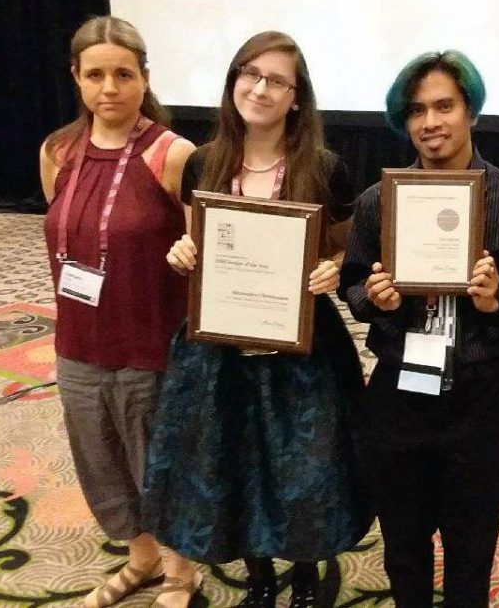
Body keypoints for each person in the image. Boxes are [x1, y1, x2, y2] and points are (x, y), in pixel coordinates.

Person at [141, 31, 373, 608]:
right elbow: (196, 245)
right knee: (234, 462)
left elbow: (350, 251)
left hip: (302, 350)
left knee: (306, 471)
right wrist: (182, 254)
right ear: (234, 82)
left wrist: (335, 268)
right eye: (250, 73)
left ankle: (307, 575)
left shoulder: (324, 168)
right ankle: (262, 577)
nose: (260, 88)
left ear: (297, 97)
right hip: (220, 349)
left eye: (277, 80)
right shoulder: (203, 161)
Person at [338, 50, 499, 608]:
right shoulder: (377, 202)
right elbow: (351, 283)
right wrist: (375, 297)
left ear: (472, 112)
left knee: (473, 545)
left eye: (445, 106)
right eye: (416, 110)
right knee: (403, 543)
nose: (430, 122)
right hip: (398, 391)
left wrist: (494, 302)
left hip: (478, 394)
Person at [39, 16, 196, 608]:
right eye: (96, 74)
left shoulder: (172, 153)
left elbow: (200, 252)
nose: (110, 88)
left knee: (159, 464)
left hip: (150, 343)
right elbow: (62, 235)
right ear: (77, 79)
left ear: (144, 78)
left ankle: (181, 571)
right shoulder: (57, 151)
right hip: (77, 343)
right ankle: (141, 558)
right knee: (101, 462)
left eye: (123, 74)